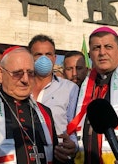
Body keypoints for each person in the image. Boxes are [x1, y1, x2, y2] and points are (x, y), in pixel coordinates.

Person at [0, 46, 69, 163]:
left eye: (31, 73)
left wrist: (65, 155)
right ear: (1, 74)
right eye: (18, 73)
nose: (25, 79)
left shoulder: (45, 112)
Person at [67, 26, 118, 164]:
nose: (102, 52)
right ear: (90, 54)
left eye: (108, 46)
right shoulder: (81, 89)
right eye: (96, 48)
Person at [28, 34, 79, 162]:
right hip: (25, 154)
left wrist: (73, 146)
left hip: (58, 157)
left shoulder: (70, 88)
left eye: (48, 54)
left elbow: (75, 126)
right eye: (38, 54)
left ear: (55, 58)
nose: (44, 59)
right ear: (29, 57)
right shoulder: (20, 87)